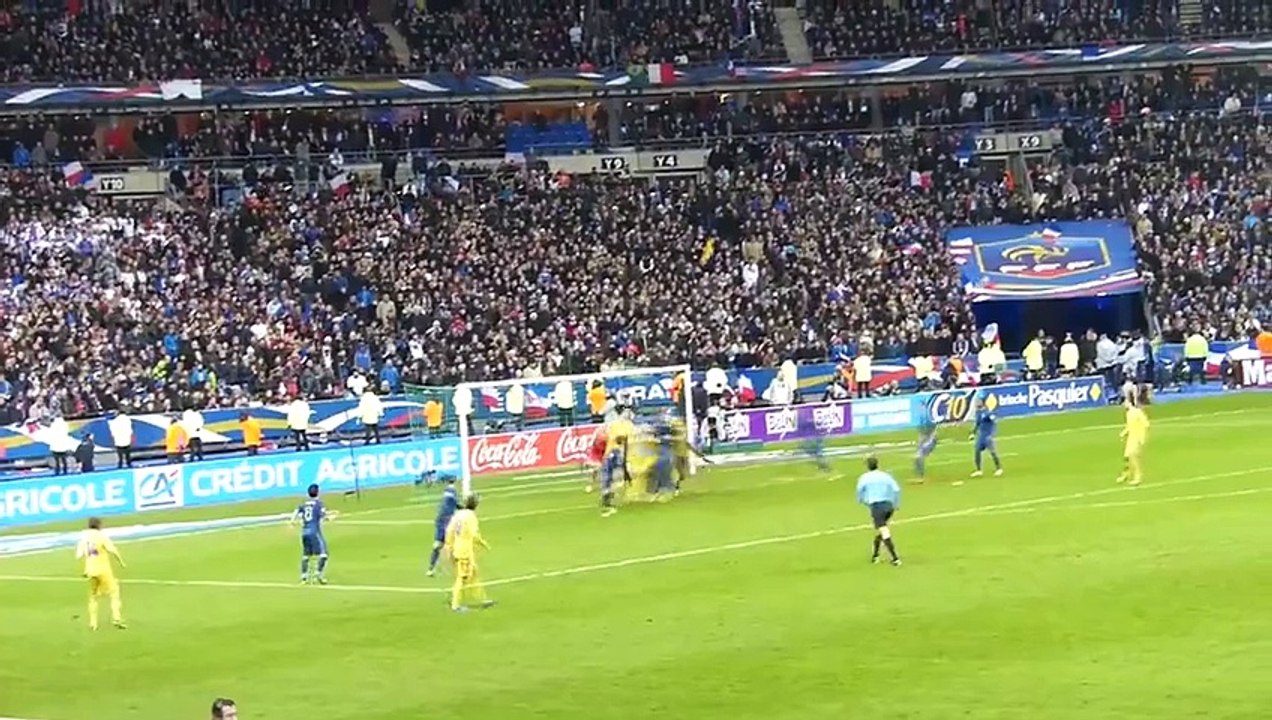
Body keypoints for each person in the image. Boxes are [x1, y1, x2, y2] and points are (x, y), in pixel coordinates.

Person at [444, 494, 493, 613]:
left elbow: (449, 530)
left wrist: (449, 545)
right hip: (464, 552)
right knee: (462, 577)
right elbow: (474, 534)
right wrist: (484, 543)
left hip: (459, 548)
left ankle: (483, 599)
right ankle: (455, 605)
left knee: (474, 573)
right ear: (475, 504)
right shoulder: (471, 517)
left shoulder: (458, 514)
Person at [76, 517, 126, 630]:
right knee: (114, 591)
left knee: (93, 596)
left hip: (90, 570)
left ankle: (93, 624)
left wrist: (84, 570)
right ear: (99, 525)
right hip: (103, 569)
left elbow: (79, 555)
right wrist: (121, 562)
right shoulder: (101, 536)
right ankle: (116, 618)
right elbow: (113, 550)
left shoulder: (84, 538)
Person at [855, 456, 902, 566]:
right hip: (888, 506)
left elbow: (859, 491)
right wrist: (896, 503)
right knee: (880, 531)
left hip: (877, 507)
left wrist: (862, 500)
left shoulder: (864, 477)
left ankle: (895, 558)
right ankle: (875, 556)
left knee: (884, 531)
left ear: (867, 466)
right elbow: (896, 489)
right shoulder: (885, 475)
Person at [292, 483, 337, 584]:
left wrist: (292, 521)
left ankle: (304, 577)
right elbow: (324, 516)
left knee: (306, 555)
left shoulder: (304, 503)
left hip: (304, 532)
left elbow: (296, 512)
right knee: (324, 554)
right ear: (318, 492)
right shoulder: (319, 504)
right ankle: (319, 574)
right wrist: (331, 517)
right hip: (314, 532)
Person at [599, 411, 633, 515]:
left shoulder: (615, 425)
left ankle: (608, 496)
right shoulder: (627, 425)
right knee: (615, 476)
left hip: (611, 452)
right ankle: (610, 496)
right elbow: (620, 439)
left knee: (609, 476)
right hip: (617, 452)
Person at [427, 478, 460, 576]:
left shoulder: (446, 496)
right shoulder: (452, 493)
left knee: (438, 546)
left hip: (441, 521)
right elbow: (455, 504)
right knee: (452, 545)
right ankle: (457, 569)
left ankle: (431, 569)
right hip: (446, 522)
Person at [1118, 392, 1150, 486]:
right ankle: (1126, 474)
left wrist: (1142, 437)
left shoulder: (1137, 412)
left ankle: (1138, 477)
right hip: (1131, 438)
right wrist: (1123, 433)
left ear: (1129, 402)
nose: (1123, 405)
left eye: (1125, 402)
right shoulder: (1128, 414)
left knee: (1133, 457)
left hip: (1137, 438)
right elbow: (1129, 426)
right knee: (1127, 457)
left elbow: (1146, 424)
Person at [970, 395, 1003, 478]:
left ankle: (999, 468)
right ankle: (978, 470)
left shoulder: (988, 412)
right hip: (981, 436)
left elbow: (994, 423)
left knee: (992, 451)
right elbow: (977, 424)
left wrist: (991, 435)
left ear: (982, 402)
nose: (976, 403)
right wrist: (973, 433)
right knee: (977, 451)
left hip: (987, 435)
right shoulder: (978, 413)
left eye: (978, 401)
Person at [914, 412, 938, 482]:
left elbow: (934, 431)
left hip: (930, 439)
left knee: (919, 456)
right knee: (918, 457)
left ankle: (920, 476)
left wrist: (930, 440)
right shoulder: (923, 417)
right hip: (925, 437)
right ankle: (920, 475)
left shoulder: (930, 417)